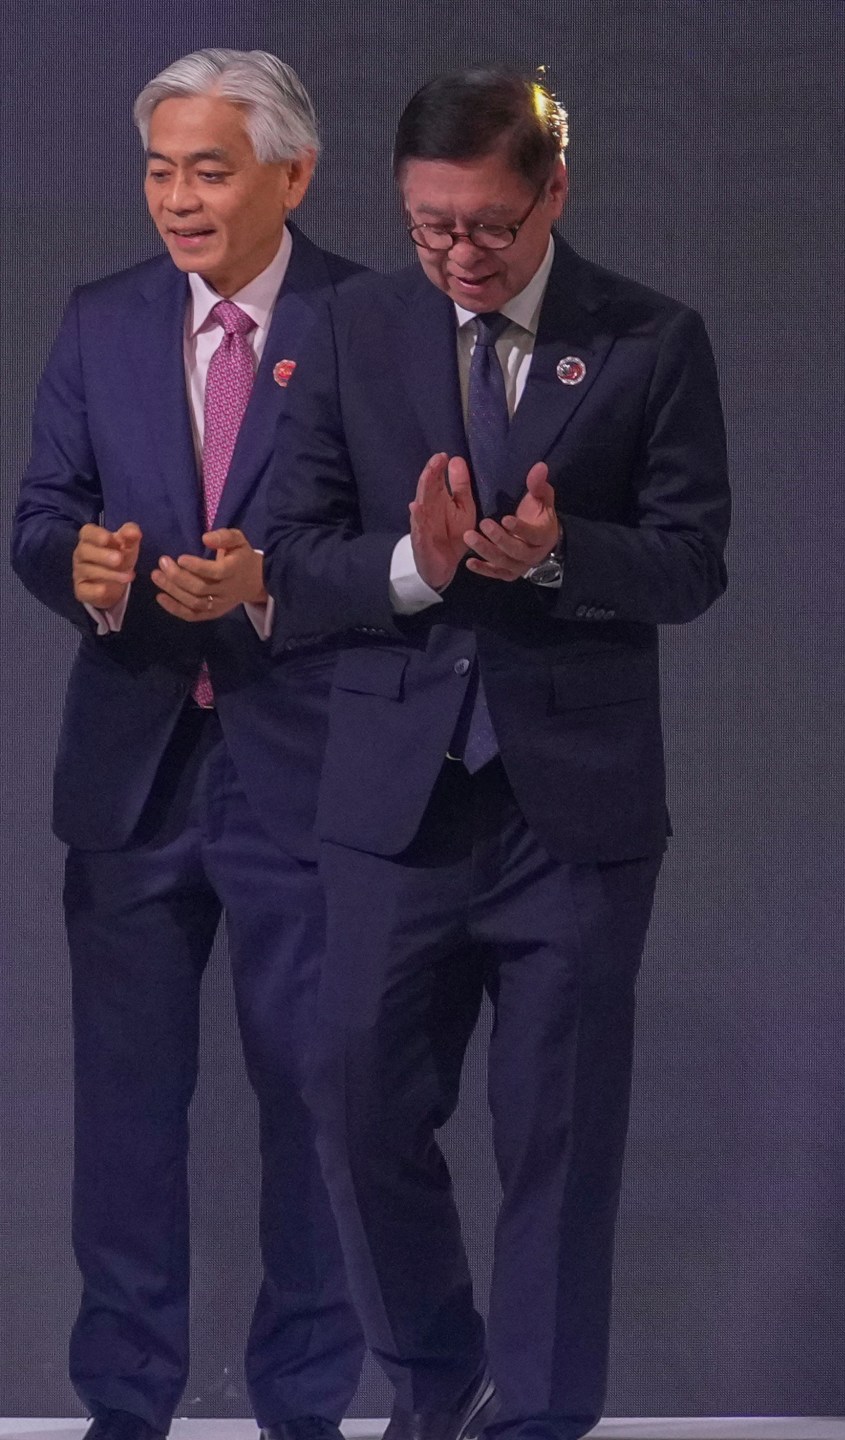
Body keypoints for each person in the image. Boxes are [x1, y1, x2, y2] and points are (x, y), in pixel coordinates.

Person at [262, 68, 729, 1440]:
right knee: (350, 1097)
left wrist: (557, 555)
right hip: (395, 805)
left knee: (560, 1145)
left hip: (569, 818)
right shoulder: (350, 330)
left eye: (489, 228)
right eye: (431, 229)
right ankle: (437, 1378)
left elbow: (695, 561)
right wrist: (421, 561)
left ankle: (538, 1419)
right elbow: (293, 557)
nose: (462, 256)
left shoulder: (649, 338)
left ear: (552, 194)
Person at [9, 48, 368, 1440]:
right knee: (127, 1122)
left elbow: (397, 545)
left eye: (208, 169)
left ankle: (302, 1408)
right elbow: (42, 513)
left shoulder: (366, 322)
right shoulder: (101, 321)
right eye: (161, 170)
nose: (178, 198)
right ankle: (126, 1407)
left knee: (317, 1111)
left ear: (294, 172)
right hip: (133, 775)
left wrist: (266, 582)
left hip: (308, 769)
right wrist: (84, 572)